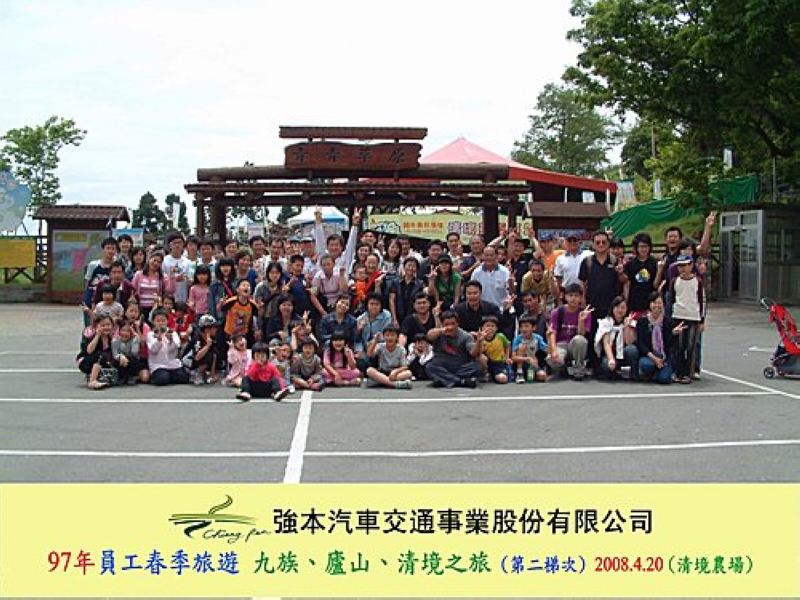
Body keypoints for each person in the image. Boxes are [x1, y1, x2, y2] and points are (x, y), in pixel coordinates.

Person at [669, 255, 706, 384]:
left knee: (690, 346)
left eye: (685, 265)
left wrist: (702, 320)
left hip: (693, 317)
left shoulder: (697, 281)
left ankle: (688, 373)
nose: (682, 269)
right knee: (678, 346)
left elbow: (702, 301)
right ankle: (678, 372)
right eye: (680, 266)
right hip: (678, 316)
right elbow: (672, 299)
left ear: (691, 266)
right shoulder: (675, 281)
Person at [425, 311, 485, 389]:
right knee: (429, 366)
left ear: (457, 324)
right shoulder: (438, 333)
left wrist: (479, 342)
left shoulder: (465, 336)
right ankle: (461, 382)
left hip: (460, 366)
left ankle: (445, 380)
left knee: (477, 366)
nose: (450, 327)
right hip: (441, 365)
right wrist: (441, 330)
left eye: (453, 324)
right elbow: (429, 336)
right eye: (447, 324)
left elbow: (473, 354)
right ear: (442, 324)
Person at [546, 283, 593, 380]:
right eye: (570, 295)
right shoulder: (557, 312)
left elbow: (582, 334)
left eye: (576, 296)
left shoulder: (585, 313)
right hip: (561, 344)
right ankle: (563, 368)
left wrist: (581, 320)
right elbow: (552, 332)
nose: (573, 298)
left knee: (580, 340)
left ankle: (579, 369)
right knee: (552, 360)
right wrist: (553, 351)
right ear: (565, 297)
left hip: (574, 345)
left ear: (580, 298)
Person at [594, 296, 640, 380]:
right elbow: (606, 343)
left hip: (623, 354)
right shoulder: (606, 322)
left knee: (632, 350)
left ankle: (634, 374)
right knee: (605, 365)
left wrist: (626, 326)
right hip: (610, 354)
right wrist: (611, 359)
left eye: (623, 308)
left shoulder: (630, 322)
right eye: (617, 307)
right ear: (613, 308)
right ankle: (613, 371)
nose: (620, 310)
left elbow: (629, 342)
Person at [636, 292, 675, 384]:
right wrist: (655, 359)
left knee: (664, 379)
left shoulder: (668, 321)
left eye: (659, 303)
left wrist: (673, 333)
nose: (657, 305)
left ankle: (658, 373)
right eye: (654, 302)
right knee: (646, 365)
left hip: (664, 357)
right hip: (649, 356)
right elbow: (641, 344)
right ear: (650, 304)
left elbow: (670, 345)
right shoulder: (642, 321)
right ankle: (650, 372)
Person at [147, 308, 191, 386]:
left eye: (163, 320)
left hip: (173, 364)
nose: (160, 323)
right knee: (162, 379)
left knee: (183, 378)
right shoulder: (150, 334)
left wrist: (171, 340)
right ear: (153, 322)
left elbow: (176, 347)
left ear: (167, 321)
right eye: (158, 321)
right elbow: (153, 350)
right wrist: (159, 340)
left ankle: (169, 375)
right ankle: (160, 376)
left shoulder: (172, 333)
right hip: (158, 365)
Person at [82, 237, 120, 325]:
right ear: (103, 250)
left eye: (113, 248)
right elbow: (87, 282)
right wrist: (86, 298)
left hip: (109, 302)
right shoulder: (93, 265)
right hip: (91, 299)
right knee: (90, 326)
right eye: (108, 248)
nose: (110, 251)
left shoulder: (117, 265)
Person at [313, 206, 361, 273]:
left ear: (341, 247)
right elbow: (319, 241)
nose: (334, 248)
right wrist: (318, 221)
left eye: (336, 245)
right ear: (327, 247)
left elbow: (351, 244)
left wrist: (355, 225)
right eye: (331, 245)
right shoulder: (323, 256)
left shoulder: (346, 257)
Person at [622, 232, 658, 317]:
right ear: (636, 248)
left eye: (646, 246)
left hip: (650, 303)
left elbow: (656, 284)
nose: (644, 249)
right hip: (634, 303)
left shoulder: (654, 263)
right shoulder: (630, 264)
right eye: (641, 247)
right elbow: (627, 284)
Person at [78, 315, 115, 389]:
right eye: (103, 325)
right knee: (100, 356)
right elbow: (89, 351)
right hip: (87, 362)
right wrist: (97, 335)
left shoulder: (111, 338)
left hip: (102, 362)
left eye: (108, 325)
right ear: (97, 326)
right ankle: (92, 381)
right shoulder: (92, 337)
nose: (106, 327)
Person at [354, 294, 392, 368]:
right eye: (371, 304)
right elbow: (357, 339)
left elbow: (386, 335)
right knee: (360, 360)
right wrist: (359, 350)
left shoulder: (386, 316)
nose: (374, 307)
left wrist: (374, 342)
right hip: (364, 348)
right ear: (367, 305)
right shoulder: (360, 319)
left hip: (380, 346)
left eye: (377, 304)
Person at [512, 314, 548, 383]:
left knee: (542, 376)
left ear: (534, 327)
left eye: (526, 326)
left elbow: (547, 350)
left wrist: (549, 337)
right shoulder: (517, 339)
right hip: (521, 363)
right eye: (521, 327)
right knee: (522, 346)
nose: (523, 329)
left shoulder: (537, 338)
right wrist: (527, 359)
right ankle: (519, 374)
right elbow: (513, 357)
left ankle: (531, 374)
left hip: (532, 364)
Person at [389, 257, 423, 328]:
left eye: (413, 266)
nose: (411, 268)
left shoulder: (420, 284)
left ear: (417, 269)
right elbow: (392, 300)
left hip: (413, 317)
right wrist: (394, 318)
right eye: (409, 265)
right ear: (404, 267)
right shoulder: (395, 282)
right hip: (398, 315)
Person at [222, 280, 259, 346]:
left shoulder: (253, 304)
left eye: (248, 286)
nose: (246, 287)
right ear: (237, 290)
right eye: (243, 285)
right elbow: (221, 309)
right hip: (230, 333)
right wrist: (221, 303)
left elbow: (256, 316)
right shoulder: (231, 301)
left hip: (243, 334)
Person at [185, 314, 219, 385]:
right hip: (189, 363)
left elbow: (214, 356)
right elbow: (197, 357)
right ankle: (196, 373)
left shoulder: (212, 338)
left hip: (199, 361)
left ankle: (207, 374)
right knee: (208, 354)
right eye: (214, 327)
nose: (216, 329)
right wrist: (207, 346)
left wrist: (212, 375)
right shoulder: (197, 338)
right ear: (207, 330)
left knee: (214, 354)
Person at [112, 318, 149, 384]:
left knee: (133, 359)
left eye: (127, 331)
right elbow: (115, 355)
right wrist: (121, 356)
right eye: (123, 330)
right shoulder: (115, 340)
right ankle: (121, 377)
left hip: (132, 360)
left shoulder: (135, 339)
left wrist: (135, 338)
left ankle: (132, 376)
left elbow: (134, 353)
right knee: (117, 360)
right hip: (121, 360)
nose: (125, 333)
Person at [480, 316, 512, 384]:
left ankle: (495, 376)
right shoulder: (480, 339)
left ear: (496, 328)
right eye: (487, 326)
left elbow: (508, 345)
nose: (490, 328)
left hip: (499, 363)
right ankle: (485, 374)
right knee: (482, 358)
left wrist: (507, 357)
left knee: (502, 379)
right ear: (482, 328)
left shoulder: (500, 336)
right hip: (487, 364)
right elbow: (478, 353)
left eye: (493, 326)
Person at [162, 232, 192, 305]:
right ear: (170, 245)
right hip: (168, 299)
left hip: (183, 297)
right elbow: (162, 278)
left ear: (183, 245)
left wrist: (186, 279)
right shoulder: (164, 261)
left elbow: (190, 279)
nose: (177, 245)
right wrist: (174, 279)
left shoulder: (187, 262)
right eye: (174, 243)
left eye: (179, 243)